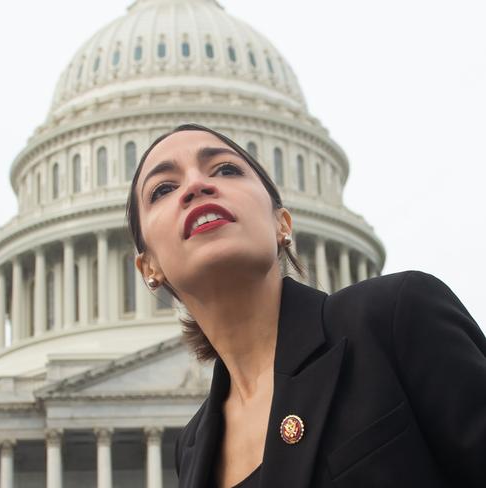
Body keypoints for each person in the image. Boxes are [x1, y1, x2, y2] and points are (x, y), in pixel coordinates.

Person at [125, 123, 486, 488]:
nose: (196, 186)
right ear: (149, 267)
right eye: (164, 189)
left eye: (225, 169)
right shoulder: (191, 448)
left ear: (281, 222)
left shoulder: (395, 316)